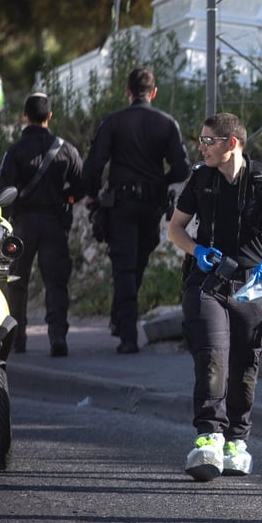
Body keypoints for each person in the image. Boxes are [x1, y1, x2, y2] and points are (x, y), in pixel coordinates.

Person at [166, 112, 262, 481]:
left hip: (253, 283)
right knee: (212, 357)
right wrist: (195, 251)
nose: (201, 147)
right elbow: (175, 228)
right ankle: (209, 437)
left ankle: (237, 440)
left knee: (245, 365)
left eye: (208, 141)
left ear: (231, 143)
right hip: (208, 284)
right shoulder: (200, 178)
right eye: (201, 140)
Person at [82, 68, 191, 354]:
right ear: (153, 93)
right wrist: (160, 182)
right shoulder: (167, 123)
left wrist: (92, 195)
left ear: (128, 92)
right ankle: (122, 322)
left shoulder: (114, 122)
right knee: (137, 263)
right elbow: (182, 167)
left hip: (121, 204)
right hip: (152, 205)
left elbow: (94, 165)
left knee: (125, 266)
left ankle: (126, 333)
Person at [0, 93, 85, 357]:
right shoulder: (66, 149)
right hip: (55, 222)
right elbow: (82, 184)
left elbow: (3, 189)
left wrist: (7, 218)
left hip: (23, 224)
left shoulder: (14, 152)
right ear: (50, 116)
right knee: (55, 282)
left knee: (17, 281)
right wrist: (66, 198)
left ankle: (17, 338)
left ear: (25, 116)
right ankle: (58, 337)